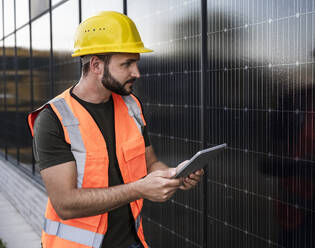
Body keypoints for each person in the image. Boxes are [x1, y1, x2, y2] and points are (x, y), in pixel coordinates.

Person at [27, 11, 204, 248]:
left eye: (136, 62)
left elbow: (150, 164)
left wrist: (175, 175)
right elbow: (65, 204)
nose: (137, 73)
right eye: (127, 64)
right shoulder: (53, 119)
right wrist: (139, 189)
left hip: (132, 242)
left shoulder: (131, 105)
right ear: (97, 65)